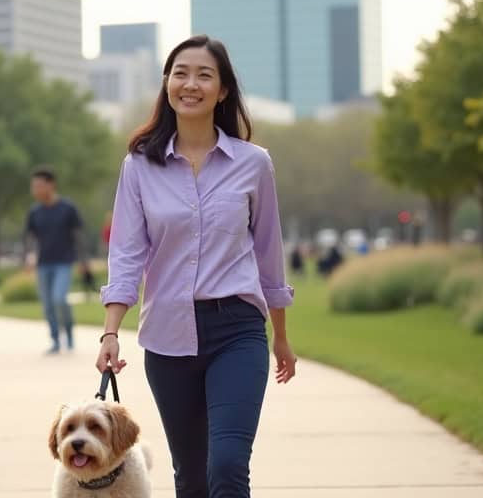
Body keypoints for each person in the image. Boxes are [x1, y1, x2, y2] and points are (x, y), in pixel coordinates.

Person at [97, 35, 297, 498]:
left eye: (204, 75)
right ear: (167, 83)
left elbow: (269, 253)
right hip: (167, 338)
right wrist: (110, 332)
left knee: (226, 466)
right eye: (180, 73)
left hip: (238, 331)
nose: (191, 84)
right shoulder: (139, 165)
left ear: (223, 90)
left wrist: (281, 336)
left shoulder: (253, 164)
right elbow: (126, 254)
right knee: (190, 476)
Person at [24, 167, 84, 354]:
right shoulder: (35, 212)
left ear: (51, 185)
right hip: (43, 264)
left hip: (64, 262)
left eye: (39, 185)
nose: (36, 190)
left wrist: (83, 261)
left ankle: (69, 330)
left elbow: (78, 236)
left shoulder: (67, 208)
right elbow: (30, 238)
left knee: (59, 298)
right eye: (34, 186)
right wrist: (30, 256)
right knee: (48, 304)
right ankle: (56, 340)